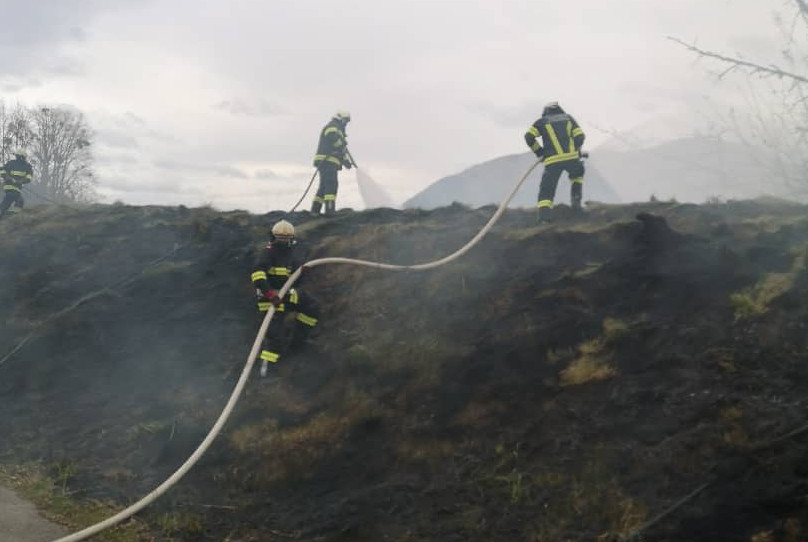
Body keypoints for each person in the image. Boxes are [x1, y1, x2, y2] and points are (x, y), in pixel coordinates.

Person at [250, 220, 319, 377]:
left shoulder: (291, 254)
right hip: (269, 300)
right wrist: (270, 294)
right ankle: (266, 373)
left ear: (291, 238)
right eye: (280, 238)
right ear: (273, 237)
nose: (283, 241)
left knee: (312, 307)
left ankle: (298, 341)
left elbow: (294, 281)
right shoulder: (267, 253)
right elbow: (257, 276)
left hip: (288, 295)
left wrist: (302, 273)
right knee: (275, 338)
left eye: (286, 238)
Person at [524, 102, 586, 222]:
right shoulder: (568, 118)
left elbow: (528, 137)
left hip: (553, 161)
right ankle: (576, 204)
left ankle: (544, 219)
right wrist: (576, 150)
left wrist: (540, 152)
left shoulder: (541, 122)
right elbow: (580, 136)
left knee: (547, 190)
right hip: (572, 158)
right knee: (577, 176)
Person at [311, 111, 354, 216]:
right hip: (327, 161)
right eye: (345, 121)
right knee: (331, 185)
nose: (346, 123)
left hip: (328, 161)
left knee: (324, 186)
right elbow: (333, 138)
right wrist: (341, 144)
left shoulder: (338, 129)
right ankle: (329, 211)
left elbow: (338, 150)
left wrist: (345, 162)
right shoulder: (333, 126)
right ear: (340, 118)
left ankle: (315, 210)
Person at [0, 149, 34, 219]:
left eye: (17, 156)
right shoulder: (11, 163)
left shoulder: (27, 166)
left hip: (17, 188)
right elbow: (2, 171)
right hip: (9, 187)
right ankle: (5, 214)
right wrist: (7, 177)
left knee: (19, 201)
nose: (17, 157)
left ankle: (10, 215)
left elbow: (29, 178)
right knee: (11, 197)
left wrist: (20, 181)